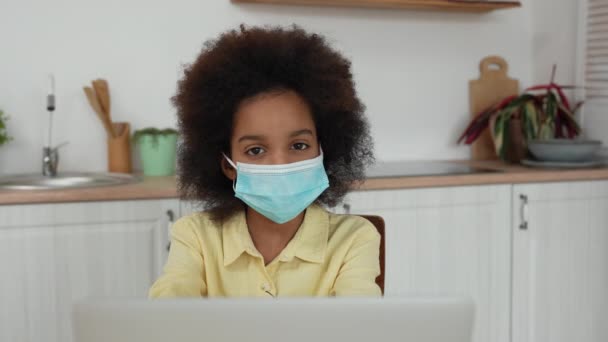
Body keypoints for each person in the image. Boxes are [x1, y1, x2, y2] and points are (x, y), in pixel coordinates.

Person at [149, 24, 380, 298]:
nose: (279, 163)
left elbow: (357, 328)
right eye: (256, 150)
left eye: (298, 145)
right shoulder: (195, 236)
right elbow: (168, 316)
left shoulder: (354, 239)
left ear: (323, 151)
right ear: (227, 165)